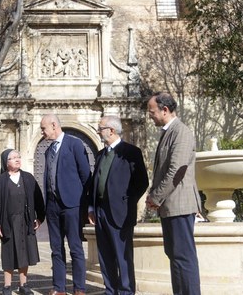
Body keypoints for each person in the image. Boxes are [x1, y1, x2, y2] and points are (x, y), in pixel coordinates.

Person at [146, 92, 202, 295]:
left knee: (183, 257)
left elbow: (176, 171)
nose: (150, 115)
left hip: (180, 205)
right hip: (170, 206)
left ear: (165, 110)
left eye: (152, 112)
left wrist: (155, 197)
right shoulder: (168, 132)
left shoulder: (182, 132)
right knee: (175, 255)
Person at [86, 115, 148, 295]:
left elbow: (142, 182)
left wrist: (127, 201)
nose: (98, 131)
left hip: (120, 212)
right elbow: (94, 183)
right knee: (105, 255)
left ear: (111, 130)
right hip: (100, 212)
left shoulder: (131, 152)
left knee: (123, 256)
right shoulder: (100, 155)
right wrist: (91, 207)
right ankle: (110, 289)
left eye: (100, 128)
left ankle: (126, 291)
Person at [40, 114, 91, 295]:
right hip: (53, 206)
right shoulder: (47, 151)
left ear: (54, 126)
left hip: (72, 206)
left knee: (75, 248)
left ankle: (79, 288)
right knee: (56, 248)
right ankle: (59, 288)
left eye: (43, 128)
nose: (42, 132)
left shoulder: (74, 144)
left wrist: (88, 206)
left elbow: (86, 177)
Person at [0, 149, 46, 295]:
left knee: (24, 253)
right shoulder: (0, 181)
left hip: (26, 222)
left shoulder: (28, 178)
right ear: (6, 162)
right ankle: (7, 286)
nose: (17, 159)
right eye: (13, 158)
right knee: (9, 253)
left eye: (18, 157)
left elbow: (39, 199)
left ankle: (23, 285)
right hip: (8, 223)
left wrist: (40, 217)